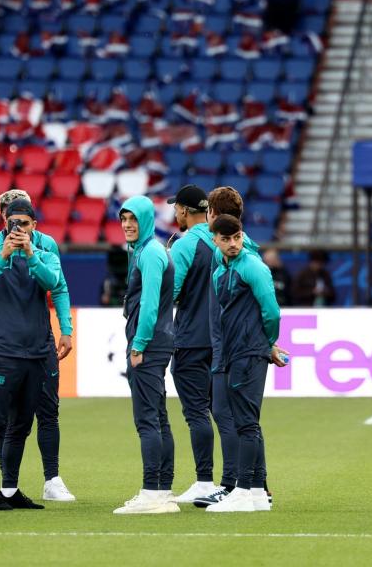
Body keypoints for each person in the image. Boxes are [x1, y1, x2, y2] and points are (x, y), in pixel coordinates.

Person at [0, 199, 62, 511]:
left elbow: (55, 283)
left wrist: (31, 256)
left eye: (24, 223)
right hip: (3, 349)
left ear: (35, 226)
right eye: (13, 223)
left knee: (21, 425)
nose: (18, 229)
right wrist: (2, 257)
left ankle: (9, 489)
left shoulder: (46, 254)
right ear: (5, 223)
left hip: (36, 352)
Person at [0, 190, 75, 502]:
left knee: (48, 411)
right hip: (8, 344)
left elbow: (60, 287)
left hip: (40, 342)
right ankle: (7, 483)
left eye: (20, 215)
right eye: (8, 214)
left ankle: (51, 478)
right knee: (10, 416)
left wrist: (65, 329)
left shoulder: (46, 245)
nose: (14, 222)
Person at [206, 214, 286, 512]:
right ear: (215, 240)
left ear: (242, 235)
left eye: (236, 237)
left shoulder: (253, 266)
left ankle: (242, 490)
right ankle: (254, 492)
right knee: (243, 422)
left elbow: (272, 312)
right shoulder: (219, 273)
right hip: (234, 352)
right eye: (225, 239)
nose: (232, 244)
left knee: (246, 424)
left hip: (249, 353)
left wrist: (267, 345)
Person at [113, 195, 178, 514]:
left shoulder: (150, 253)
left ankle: (152, 492)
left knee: (147, 419)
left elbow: (150, 304)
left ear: (146, 220)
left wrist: (138, 344)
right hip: (159, 339)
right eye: (123, 219)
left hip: (149, 343)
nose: (127, 225)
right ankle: (162, 490)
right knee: (159, 417)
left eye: (133, 219)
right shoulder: (148, 250)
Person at [165, 185, 221, 504]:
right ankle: (238, 481)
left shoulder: (185, 245)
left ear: (185, 211)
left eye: (177, 209)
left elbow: (171, 292)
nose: (175, 213)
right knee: (222, 412)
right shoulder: (222, 240)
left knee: (196, 412)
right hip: (220, 339)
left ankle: (203, 480)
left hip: (189, 340)